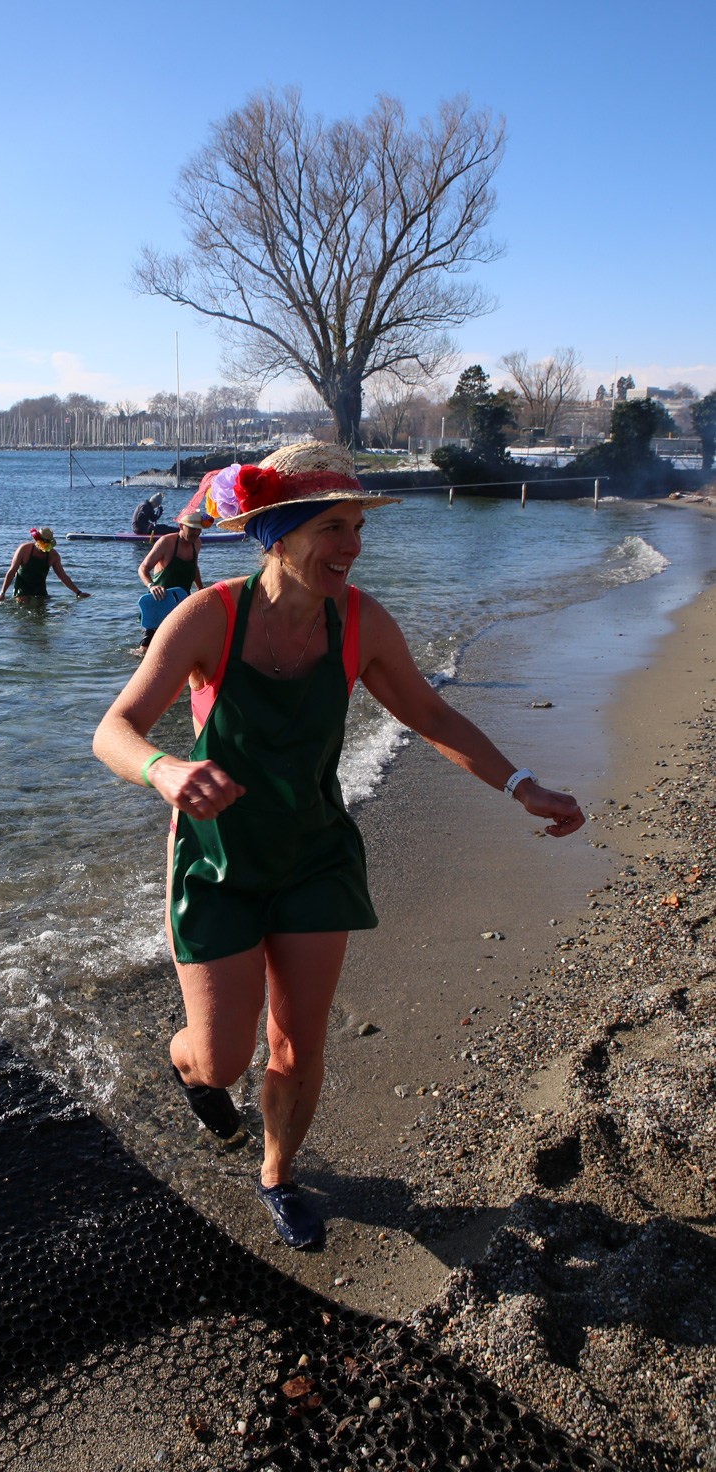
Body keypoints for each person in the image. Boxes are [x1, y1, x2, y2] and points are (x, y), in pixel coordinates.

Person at [92, 442, 584, 1251]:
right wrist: (163, 769)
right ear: (277, 534)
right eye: (332, 528)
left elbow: (431, 715)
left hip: (314, 855)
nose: (352, 545)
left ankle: (277, 1174)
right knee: (220, 1059)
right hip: (216, 862)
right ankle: (188, 1071)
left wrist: (519, 783)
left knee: (296, 1045)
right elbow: (114, 729)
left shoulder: (360, 621)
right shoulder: (209, 615)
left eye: (357, 527)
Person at [135, 512, 204, 653]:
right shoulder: (166, 543)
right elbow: (143, 568)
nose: (196, 533)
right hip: (157, 603)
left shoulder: (197, 543)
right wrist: (151, 586)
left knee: (179, 649)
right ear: (181, 526)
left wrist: (201, 590)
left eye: (198, 529)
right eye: (192, 529)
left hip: (180, 604)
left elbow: (194, 568)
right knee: (145, 651)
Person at [0, 527, 91, 601]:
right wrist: (2, 594)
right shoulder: (23, 550)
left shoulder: (53, 556)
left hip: (40, 593)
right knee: (24, 606)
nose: (44, 545)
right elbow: (11, 571)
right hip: (22, 591)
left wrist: (78, 593)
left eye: (47, 543)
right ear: (37, 539)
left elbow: (63, 576)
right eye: (43, 542)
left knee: (42, 614)